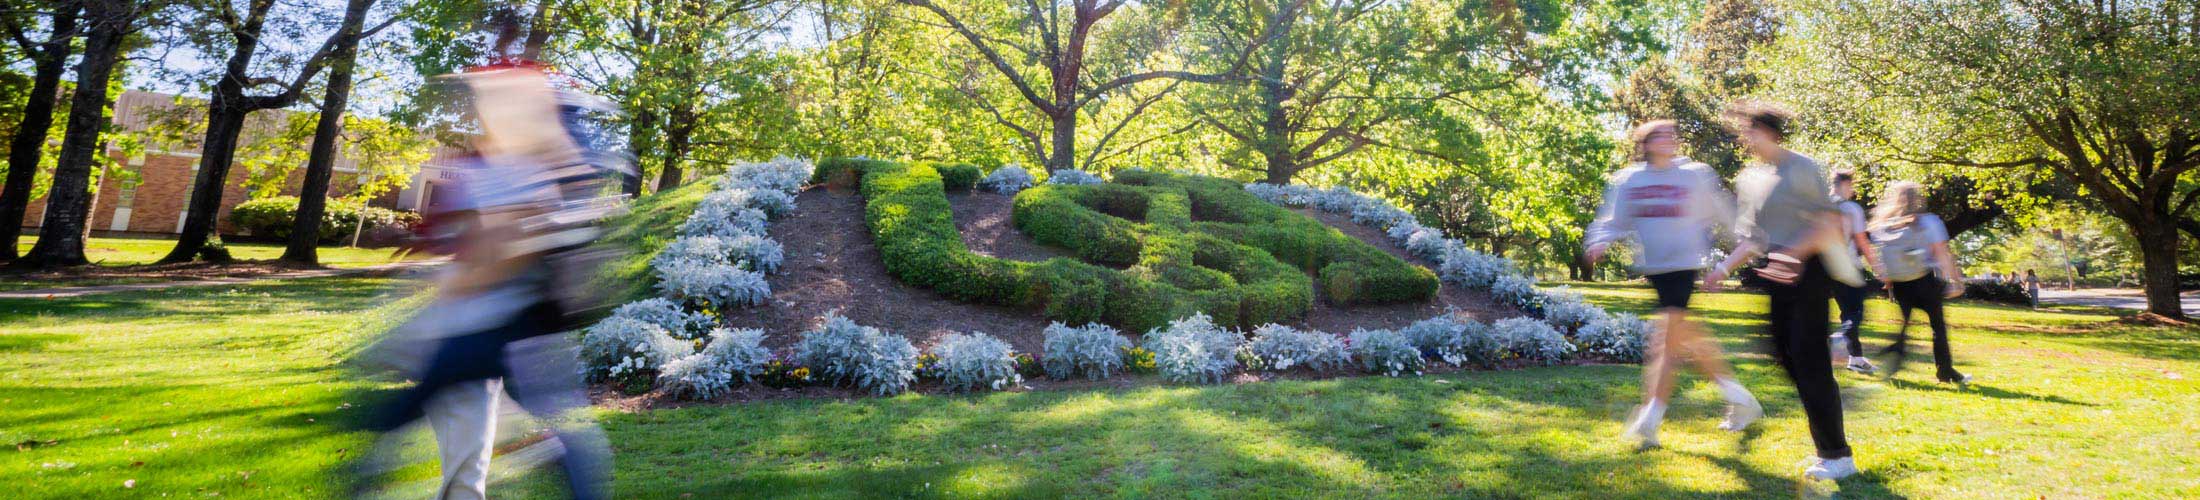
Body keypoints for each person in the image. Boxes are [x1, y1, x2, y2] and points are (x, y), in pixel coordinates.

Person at [1702, 101, 1859, 480]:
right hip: (1776, 272)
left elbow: (1828, 224)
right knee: (1782, 354)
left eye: (1750, 131)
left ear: (1769, 131)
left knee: (1808, 362)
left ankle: (1836, 456)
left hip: (1808, 270)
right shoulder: (1752, 178)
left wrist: (1794, 255)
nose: (1745, 139)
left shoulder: (1802, 168)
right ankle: (1828, 378)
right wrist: (1722, 268)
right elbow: (1755, 238)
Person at [1585, 119, 1762, 450]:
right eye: (1661, 135)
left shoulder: (1694, 175)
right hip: (1656, 268)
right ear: (1646, 143)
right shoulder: (1631, 180)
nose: (1669, 139)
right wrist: (1600, 241)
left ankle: (1650, 420)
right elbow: (1614, 220)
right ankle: (1740, 399)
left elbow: (1721, 211)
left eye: (1672, 134)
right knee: (1677, 340)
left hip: (1684, 265)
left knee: (1666, 341)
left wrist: (1740, 245)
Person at [1866, 181, 1970, 386]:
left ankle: (1896, 355)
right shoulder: (1928, 221)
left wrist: (1887, 279)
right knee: (1937, 327)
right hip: (1924, 280)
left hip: (1900, 284)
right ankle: (1945, 371)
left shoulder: (1884, 225)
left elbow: (1881, 256)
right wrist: (1955, 281)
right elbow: (1942, 253)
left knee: (1905, 325)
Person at [1826, 170, 1878, 374]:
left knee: (1846, 312)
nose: (1853, 190)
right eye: (1852, 185)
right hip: (1849, 267)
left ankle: (1856, 358)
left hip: (1826, 268)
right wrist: (1877, 267)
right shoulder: (1851, 209)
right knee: (1855, 312)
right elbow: (1862, 241)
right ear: (1845, 184)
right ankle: (1841, 338)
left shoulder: (1822, 206)